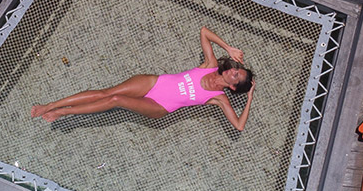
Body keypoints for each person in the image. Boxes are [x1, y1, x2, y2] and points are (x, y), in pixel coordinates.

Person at [31, 26, 254, 130]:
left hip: (160, 106)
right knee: (106, 92)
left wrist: (250, 97)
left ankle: (63, 113)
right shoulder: (210, 65)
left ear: (234, 87)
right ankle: (51, 105)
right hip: (155, 82)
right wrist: (228, 47)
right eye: (236, 69)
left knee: (115, 100)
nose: (232, 71)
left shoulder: (219, 98)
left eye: (236, 75)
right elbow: (204, 31)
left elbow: (238, 125)